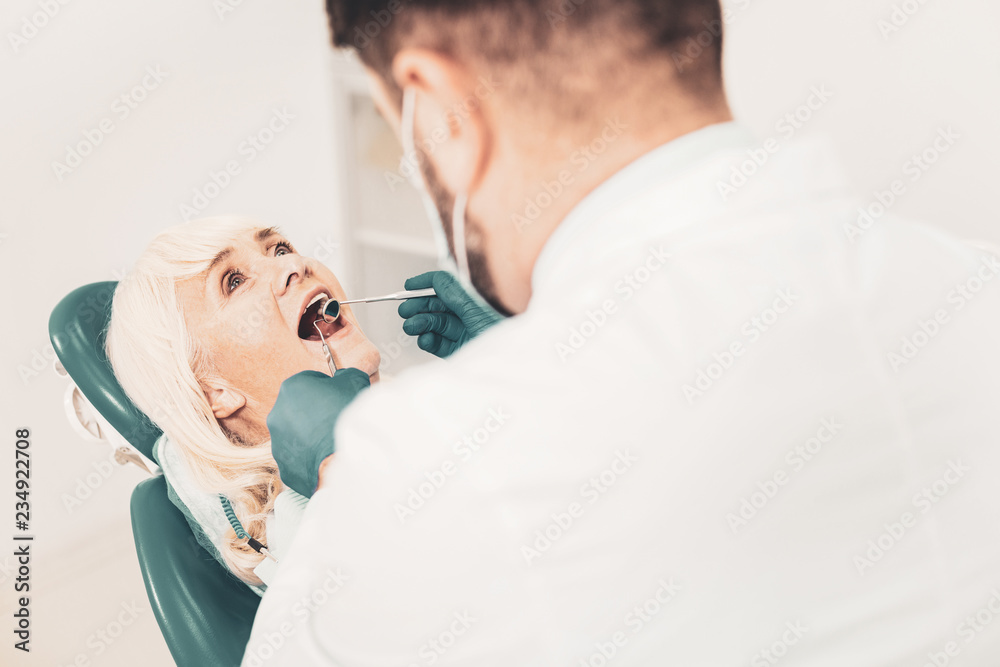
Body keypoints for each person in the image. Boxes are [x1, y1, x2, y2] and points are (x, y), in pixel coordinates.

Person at [247, 1, 1000, 664]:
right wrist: (539, 345)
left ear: (444, 107)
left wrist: (347, 473)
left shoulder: (428, 469)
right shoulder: (972, 279)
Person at [105, 216, 380, 592]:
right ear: (214, 392)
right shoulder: (305, 548)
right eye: (234, 281)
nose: (293, 264)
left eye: (279, 248)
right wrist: (337, 471)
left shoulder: (416, 415)